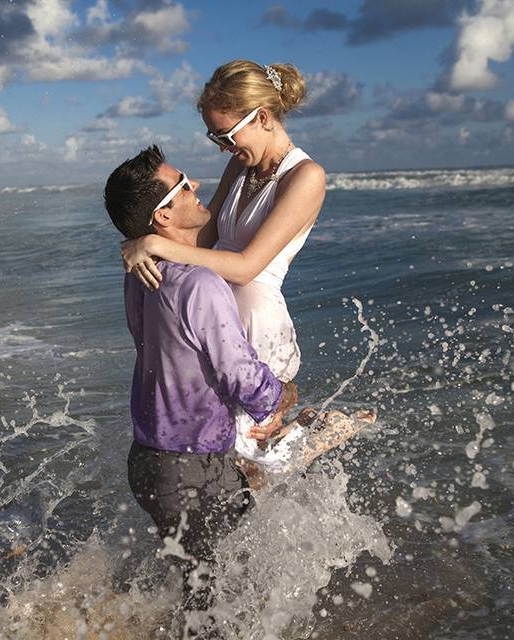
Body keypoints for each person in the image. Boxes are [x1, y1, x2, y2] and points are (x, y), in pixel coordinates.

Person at [120, 60, 374, 477]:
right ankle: (302, 432)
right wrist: (141, 241)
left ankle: (317, 437)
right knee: (228, 447)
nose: (221, 147)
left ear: (261, 117)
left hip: (256, 314)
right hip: (217, 313)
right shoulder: (242, 163)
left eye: (225, 135)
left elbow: (246, 265)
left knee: (244, 458)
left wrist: (154, 243)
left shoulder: (306, 177)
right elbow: (205, 235)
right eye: (213, 136)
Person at [104, 145, 298, 629]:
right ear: (163, 215)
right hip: (190, 471)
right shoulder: (201, 284)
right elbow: (238, 374)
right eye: (184, 185)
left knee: (203, 591)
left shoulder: (140, 273)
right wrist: (279, 397)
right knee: (209, 608)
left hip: (148, 462)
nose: (196, 188)